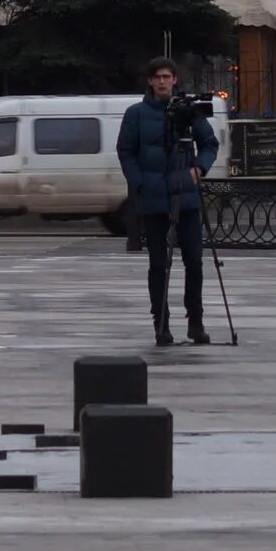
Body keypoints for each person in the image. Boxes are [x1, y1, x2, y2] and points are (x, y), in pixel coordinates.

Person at [115, 58, 218, 348]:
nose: (162, 82)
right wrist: (140, 183)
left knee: (194, 263)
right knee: (159, 264)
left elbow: (210, 143)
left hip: (186, 197)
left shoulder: (188, 112)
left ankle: (195, 322)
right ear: (149, 81)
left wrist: (199, 169)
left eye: (167, 77)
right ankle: (161, 324)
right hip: (153, 199)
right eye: (157, 77)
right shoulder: (135, 114)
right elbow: (125, 152)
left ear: (175, 80)